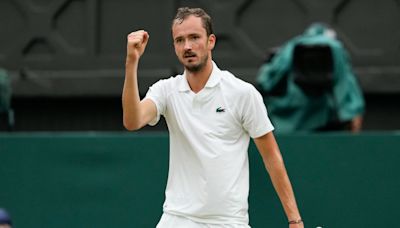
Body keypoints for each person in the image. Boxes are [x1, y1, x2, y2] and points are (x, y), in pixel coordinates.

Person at [122, 7, 303, 228]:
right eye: (180, 40)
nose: (187, 46)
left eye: (194, 37)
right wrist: (132, 62)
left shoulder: (242, 93)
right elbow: (132, 121)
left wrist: (294, 220)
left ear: (211, 41)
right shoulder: (165, 91)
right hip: (177, 219)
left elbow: (272, 157)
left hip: (228, 222)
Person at [256, 23, 365, 133]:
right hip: (323, 114)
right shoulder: (336, 47)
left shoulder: (292, 45)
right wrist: (352, 113)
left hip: (291, 113)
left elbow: (267, 79)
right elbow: (345, 84)